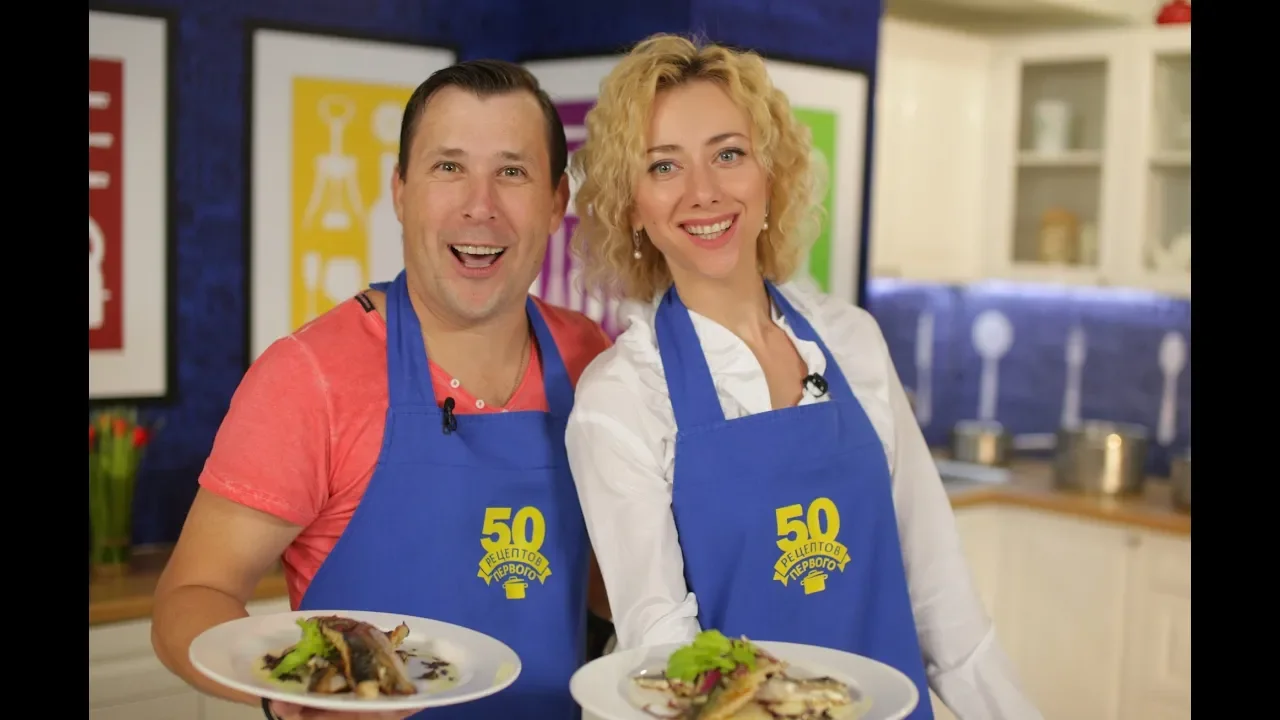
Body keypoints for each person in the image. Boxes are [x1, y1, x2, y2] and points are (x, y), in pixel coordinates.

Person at [563, 34, 1042, 720]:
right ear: (631, 206)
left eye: (729, 154)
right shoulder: (622, 399)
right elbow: (663, 652)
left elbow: (944, 602)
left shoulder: (853, 343)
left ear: (770, 175)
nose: (703, 191)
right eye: (664, 166)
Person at [152, 59, 613, 720]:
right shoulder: (309, 376)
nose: (480, 205)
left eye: (512, 172)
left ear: (556, 202)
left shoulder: (591, 357)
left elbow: (602, 583)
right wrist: (290, 694)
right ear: (400, 192)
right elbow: (191, 594)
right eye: (448, 167)